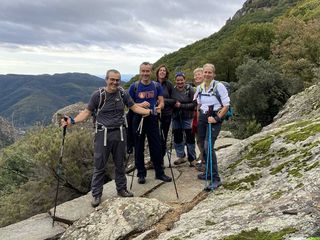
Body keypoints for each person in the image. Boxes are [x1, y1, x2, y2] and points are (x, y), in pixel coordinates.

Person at [62, 69, 152, 207]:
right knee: (99, 166)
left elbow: (133, 107)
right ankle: (96, 194)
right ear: (106, 79)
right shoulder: (98, 95)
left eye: (117, 80)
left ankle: (121, 189)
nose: (115, 82)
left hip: (120, 133)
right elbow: (87, 112)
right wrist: (72, 121)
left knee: (120, 164)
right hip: (102, 134)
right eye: (112, 79)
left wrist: (149, 111)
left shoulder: (122, 93)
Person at [128, 62, 172, 184]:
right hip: (138, 119)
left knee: (156, 146)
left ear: (151, 72)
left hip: (152, 119)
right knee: (138, 147)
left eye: (147, 71)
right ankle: (141, 174)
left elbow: (161, 102)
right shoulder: (134, 87)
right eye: (143, 71)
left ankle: (159, 173)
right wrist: (140, 105)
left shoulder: (156, 86)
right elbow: (129, 104)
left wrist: (159, 108)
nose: (145, 73)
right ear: (140, 71)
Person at [194, 63, 230, 189]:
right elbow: (199, 104)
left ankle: (216, 178)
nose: (207, 74)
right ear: (202, 73)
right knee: (202, 145)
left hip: (214, 117)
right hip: (204, 117)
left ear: (214, 74)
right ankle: (208, 173)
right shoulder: (200, 88)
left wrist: (216, 118)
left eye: (210, 72)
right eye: (205, 72)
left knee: (208, 146)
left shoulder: (218, 86)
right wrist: (199, 119)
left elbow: (226, 105)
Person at [171, 72, 197, 166]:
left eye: (181, 80)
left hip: (188, 117)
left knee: (190, 138)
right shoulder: (172, 90)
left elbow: (194, 104)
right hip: (176, 117)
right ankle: (181, 156)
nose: (180, 82)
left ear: (184, 80)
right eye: (178, 80)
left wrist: (181, 105)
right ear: (175, 81)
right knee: (178, 138)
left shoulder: (190, 89)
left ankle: (192, 158)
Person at [156, 64, 175, 163]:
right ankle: (154, 159)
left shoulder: (169, 84)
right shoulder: (153, 84)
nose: (162, 72)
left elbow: (174, 100)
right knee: (155, 137)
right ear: (157, 72)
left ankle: (161, 160)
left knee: (163, 137)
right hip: (154, 114)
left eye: (164, 70)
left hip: (166, 115)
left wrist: (162, 101)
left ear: (166, 73)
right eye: (160, 70)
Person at [192, 68, 205, 171]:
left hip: (203, 118)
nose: (196, 77)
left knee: (202, 139)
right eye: (195, 75)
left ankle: (204, 162)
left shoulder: (206, 88)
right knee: (199, 139)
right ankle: (202, 158)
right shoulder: (198, 88)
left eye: (199, 74)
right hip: (197, 117)